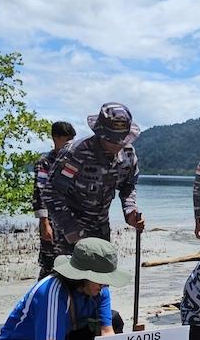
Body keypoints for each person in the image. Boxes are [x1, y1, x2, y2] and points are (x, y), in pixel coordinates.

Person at [41, 103, 145, 254]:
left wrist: (130, 211)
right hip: (70, 232)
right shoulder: (76, 153)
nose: (117, 145)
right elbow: (51, 193)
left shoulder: (128, 154)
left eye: (121, 140)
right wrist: (73, 232)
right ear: (100, 133)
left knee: (102, 268)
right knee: (71, 269)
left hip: (101, 228)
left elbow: (128, 186)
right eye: (111, 140)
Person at [35, 121, 76, 278]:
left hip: (70, 221)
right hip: (52, 220)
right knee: (49, 264)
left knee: (71, 263)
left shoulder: (74, 161)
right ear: (55, 138)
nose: (70, 144)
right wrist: (44, 223)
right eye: (67, 140)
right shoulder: (45, 162)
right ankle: (42, 292)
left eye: (72, 139)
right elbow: (39, 192)